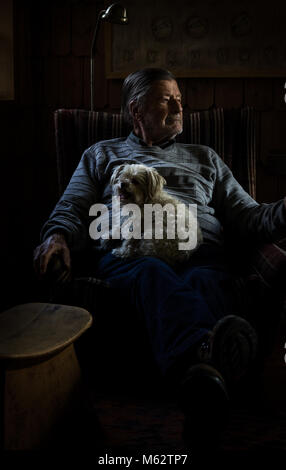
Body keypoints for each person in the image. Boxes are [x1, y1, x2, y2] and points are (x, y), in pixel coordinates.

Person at [33, 68, 286, 449]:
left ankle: (199, 376)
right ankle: (209, 364)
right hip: (131, 255)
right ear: (136, 110)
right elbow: (72, 205)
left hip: (202, 253)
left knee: (204, 280)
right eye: (167, 99)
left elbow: (249, 217)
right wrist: (56, 238)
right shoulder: (102, 153)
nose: (180, 106)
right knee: (153, 272)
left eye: (180, 98)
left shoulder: (206, 158)